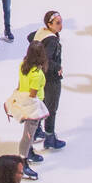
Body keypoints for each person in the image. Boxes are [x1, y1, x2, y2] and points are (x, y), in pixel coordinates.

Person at [5, 42, 50, 180]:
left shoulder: (23, 65)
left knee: (30, 133)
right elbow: (33, 94)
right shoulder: (37, 74)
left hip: (23, 101)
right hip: (33, 107)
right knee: (28, 134)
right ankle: (22, 161)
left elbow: (20, 84)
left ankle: (28, 152)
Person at [31, 10, 67, 150]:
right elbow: (46, 59)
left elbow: (30, 38)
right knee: (51, 108)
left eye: (61, 22)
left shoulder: (41, 32)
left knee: (41, 104)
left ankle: (36, 130)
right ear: (49, 24)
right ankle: (50, 137)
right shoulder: (51, 40)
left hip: (40, 78)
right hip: (51, 79)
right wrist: (57, 66)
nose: (61, 25)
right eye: (57, 23)